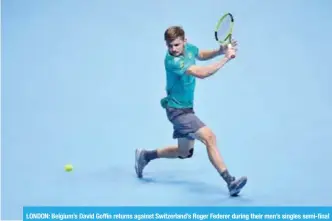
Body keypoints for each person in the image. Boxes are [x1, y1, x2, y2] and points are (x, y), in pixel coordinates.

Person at [135, 26, 247, 196]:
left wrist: (219, 50)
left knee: (184, 152)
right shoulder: (173, 61)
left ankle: (145, 156)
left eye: (176, 45)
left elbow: (200, 54)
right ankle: (230, 181)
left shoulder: (189, 49)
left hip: (186, 108)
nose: (173, 49)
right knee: (210, 137)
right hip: (178, 111)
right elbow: (201, 73)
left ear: (184, 41)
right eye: (169, 46)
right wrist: (225, 59)